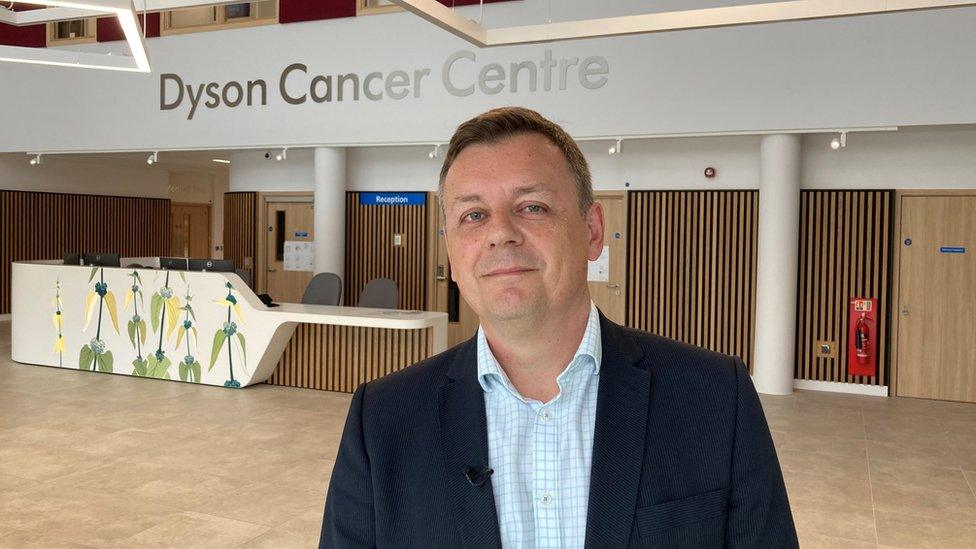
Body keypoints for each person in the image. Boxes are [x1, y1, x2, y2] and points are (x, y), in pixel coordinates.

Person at [320, 107, 797, 548]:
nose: (499, 232)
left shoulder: (714, 397)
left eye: (532, 206)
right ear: (451, 250)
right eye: (473, 215)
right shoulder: (381, 421)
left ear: (592, 231)